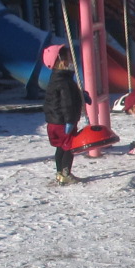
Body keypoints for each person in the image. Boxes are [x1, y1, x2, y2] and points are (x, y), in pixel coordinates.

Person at [41, 44, 84, 186]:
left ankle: (59, 172)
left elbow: (54, 101)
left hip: (54, 121)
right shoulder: (65, 81)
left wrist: (81, 94)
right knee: (68, 148)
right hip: (64, 122)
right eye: (68, 58)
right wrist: (70, 121)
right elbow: (68, 103)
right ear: (60, 62)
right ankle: (66, 173)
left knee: (60, 147)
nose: (71, 61)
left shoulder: (55, 79)